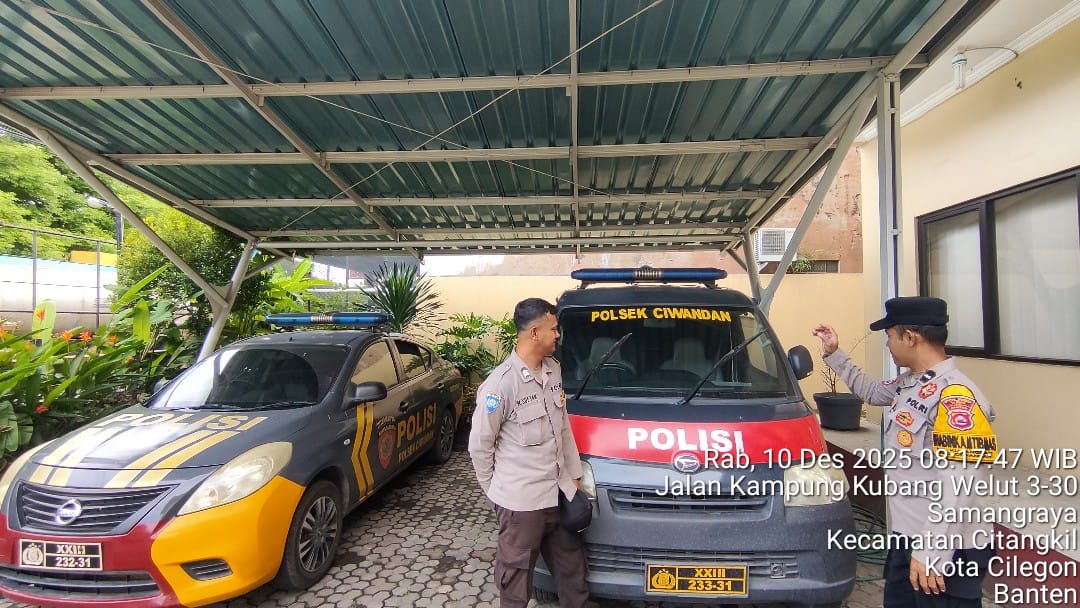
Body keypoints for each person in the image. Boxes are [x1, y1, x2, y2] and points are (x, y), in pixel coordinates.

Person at [813, 297, 998, 608]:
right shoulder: (911, 383)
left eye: (889, 335)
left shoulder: (956, 397)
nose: (887, 344)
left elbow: (961, 485)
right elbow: (872, 392)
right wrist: (834, 354)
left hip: (946, 549)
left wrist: (932, 552)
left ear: (911, 337)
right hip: (908, 538)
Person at [469, 298, 590, 608]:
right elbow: (480, 445)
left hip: (558, 494)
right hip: (521, 504)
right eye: (553, 328)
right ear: (534, 332)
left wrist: (574, 477)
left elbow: (563, 429)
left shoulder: (553, 371)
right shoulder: (500, 385)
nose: (558, 334)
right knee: (516, 581)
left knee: (573, 572)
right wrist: (496, 493)